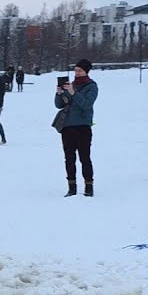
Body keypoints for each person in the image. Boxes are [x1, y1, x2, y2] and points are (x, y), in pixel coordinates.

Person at [54, 59, 99, 197]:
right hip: (67, 127)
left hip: (83, 127)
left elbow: (86, 104)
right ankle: (71, 187)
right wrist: (59, 94)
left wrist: (73, 93)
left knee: (84, 157)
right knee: (69, 158)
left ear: (86, 71)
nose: (77, 73)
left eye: (80, 70)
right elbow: (59, 105)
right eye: (76, 70)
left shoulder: (91, 86)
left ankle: (88, 186)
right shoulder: (71, 85)